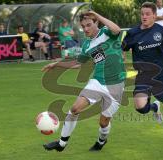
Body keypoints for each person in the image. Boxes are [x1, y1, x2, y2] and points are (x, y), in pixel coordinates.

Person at [42, 11, 126, 152]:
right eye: (83, 26)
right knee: (75, 108)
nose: (86, 29)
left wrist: (97, 15)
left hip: (116, 85)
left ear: (96, 23)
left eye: (89, 25)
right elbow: (78, 63)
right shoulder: (87, 45)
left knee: (104, 122)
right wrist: (56, 64)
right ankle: (61, 143)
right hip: (97, 82)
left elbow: (117, 30)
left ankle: (101, 141)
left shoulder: (107, 32)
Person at [122, 2, 163, 147]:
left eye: (147, 14)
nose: (144, 17)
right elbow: (122, 47)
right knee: (140, 107)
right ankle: (154, 107)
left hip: (161, 75)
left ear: (154, 15)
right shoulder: (133, 33)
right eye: (142, 14)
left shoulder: (162, 31)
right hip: (143, 76)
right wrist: (121, 55)